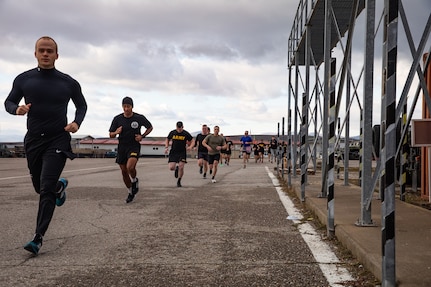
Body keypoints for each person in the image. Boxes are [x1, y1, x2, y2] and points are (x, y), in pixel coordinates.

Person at [4, 36, 87, 255]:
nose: (46, 54)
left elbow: (82, 105)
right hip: (33, 139)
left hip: (58, 138)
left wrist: (76, 123)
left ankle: (38, 237)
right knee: (39, 186)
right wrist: (16, 109)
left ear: (57, 55)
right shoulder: (24, 79)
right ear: (35, 53)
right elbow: (9, 102)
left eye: (50, 51)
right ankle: (59, 187)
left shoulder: (68, 82)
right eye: (42, 50)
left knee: (45, 189)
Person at [109, 97, 153, 203]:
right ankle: (130, 192)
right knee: (124, 172)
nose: (126, 109)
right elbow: (110, 134)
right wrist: (116, 132)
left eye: (128, 106)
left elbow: (150, 127)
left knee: (130, 167)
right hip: (122, 147)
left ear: (132, 107)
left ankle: (134, 180)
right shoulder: (117, 119)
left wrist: (142, 136)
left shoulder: (139, 117)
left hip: (133, 146)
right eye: (124, 106)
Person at [165, 121, 195, 187]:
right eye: (178, 128)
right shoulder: (172, 133)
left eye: (180, 128)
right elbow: (167, 139)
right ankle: (176, 168)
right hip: (173, 152)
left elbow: (192, 140)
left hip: (182, 152)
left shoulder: (185, 133)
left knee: (181, 166)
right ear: (176, 127)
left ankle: (179, 181)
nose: (179, 130)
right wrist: (166, 147)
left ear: (182, 127)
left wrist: (190, 146)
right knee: (171, 167)